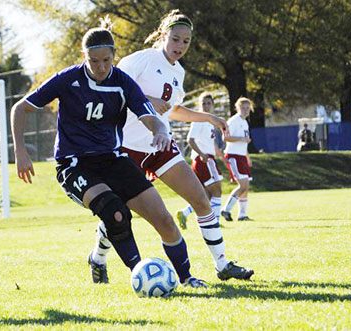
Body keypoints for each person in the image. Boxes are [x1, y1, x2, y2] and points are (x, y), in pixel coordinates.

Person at [11, 19, 208, 288]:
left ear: (115, 56)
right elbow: (20, 109)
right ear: (84, 57)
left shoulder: (122, 82)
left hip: (113, 160)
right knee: (115, 213)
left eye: (106, 60)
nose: (101, 67)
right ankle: (140, 273)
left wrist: (159, 132)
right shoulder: (68, 79)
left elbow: (148, 114)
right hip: (75, 164)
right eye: (94, 61)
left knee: (163, 218)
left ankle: (187, 278)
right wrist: (21, 152)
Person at [88, 10, 254, 284]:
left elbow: (172, 110)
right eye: (176, 39)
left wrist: (208, 117)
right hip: (125, 148)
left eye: (186, 42)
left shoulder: (179, 72)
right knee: (119, 213)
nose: (180, 46)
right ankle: (98, 257)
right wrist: (148, 99)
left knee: (200, 198)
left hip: (160, 144)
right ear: (164, 35)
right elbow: (110, 85)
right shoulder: (142, 59)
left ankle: (222, 265)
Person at [176, 92, 224, 230]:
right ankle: (215, 220)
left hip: (208, 158)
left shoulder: (209, 122)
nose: (206, 106)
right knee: (217, 190)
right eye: (203, 103)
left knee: (206, 195)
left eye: (209, 103)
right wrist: (201, 154)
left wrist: (220, 155)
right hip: (204, 159)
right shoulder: (199, 119)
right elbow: (190, 140)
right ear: (199, 105)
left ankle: (184, 213)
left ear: (213, 105)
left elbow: (209, 142)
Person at [221, 97, 254, 222]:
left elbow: (244, 142)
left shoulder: (245, 122)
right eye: (243, 108)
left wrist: (247, 156)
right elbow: (225, 138)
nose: (245, 110)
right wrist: (241, 139)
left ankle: (242, 215)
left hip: (241, 156)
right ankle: (226, 210)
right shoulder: (234, 121)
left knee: (246, 186)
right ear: (237, 108)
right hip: (233, 156)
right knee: (243, 185)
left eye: (247, 108)